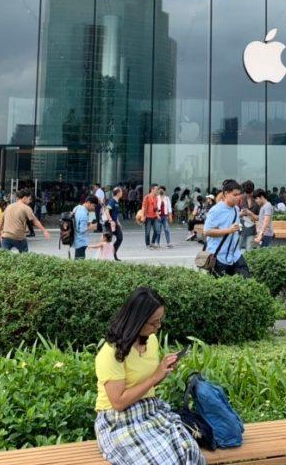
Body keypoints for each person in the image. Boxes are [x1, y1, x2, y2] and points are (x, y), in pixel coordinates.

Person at [94, 287, 204, 465]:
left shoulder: (150, 340)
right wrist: (154, 377)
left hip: (149, 411)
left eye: (160, 321)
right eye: (153, 323)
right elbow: (119, 403)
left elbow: (146, 383)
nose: (158, 327)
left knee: (188, 452)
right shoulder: (111, 353)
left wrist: (162, 370)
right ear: (137, 321)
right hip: (117, 420)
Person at [203, 179, 250, 277]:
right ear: (225, 194)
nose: (238, 197)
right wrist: (228, 230)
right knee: (220, 288)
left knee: (246, 277)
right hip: (219, 256)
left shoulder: (236, 209)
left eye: (239, 194)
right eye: (235, 195)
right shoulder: (216, 210)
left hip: (235, 255)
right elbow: (207, 231)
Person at [104, 188, 125, 261]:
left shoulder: (117, 202)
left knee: (120, 238)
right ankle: (106, 256)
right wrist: (111, 220)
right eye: (121, 191)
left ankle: (113, 252)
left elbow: (115, 214)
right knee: (108, 240)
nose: (122, 193)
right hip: (110, 223)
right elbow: (107, 211)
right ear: (118, 193)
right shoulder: (112, 201)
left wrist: (118, 222)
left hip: (115, 223)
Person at [141, 185, 159, 249]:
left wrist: (157, 214)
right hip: (148, 217)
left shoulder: (156, 197)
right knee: (147, 232)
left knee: (157, 230)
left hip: (154, 217)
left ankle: (153, 243)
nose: (157, 190)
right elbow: (143, 207)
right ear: (152, 189)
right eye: (156, 189)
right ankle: (148, 245)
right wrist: (143, 216)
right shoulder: (147, 197)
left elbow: (155, 207)